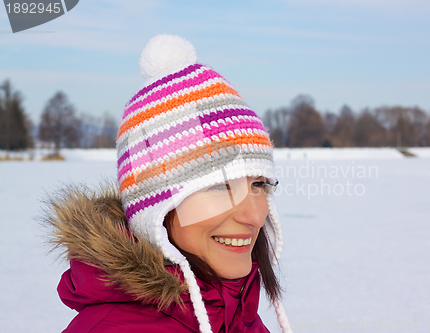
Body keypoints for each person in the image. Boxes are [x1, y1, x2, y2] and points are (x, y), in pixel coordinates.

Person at [44, 34, 293, 333]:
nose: (254, 216)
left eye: (259, 185)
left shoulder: (236, 314)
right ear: (154, 212)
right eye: (220, 187)